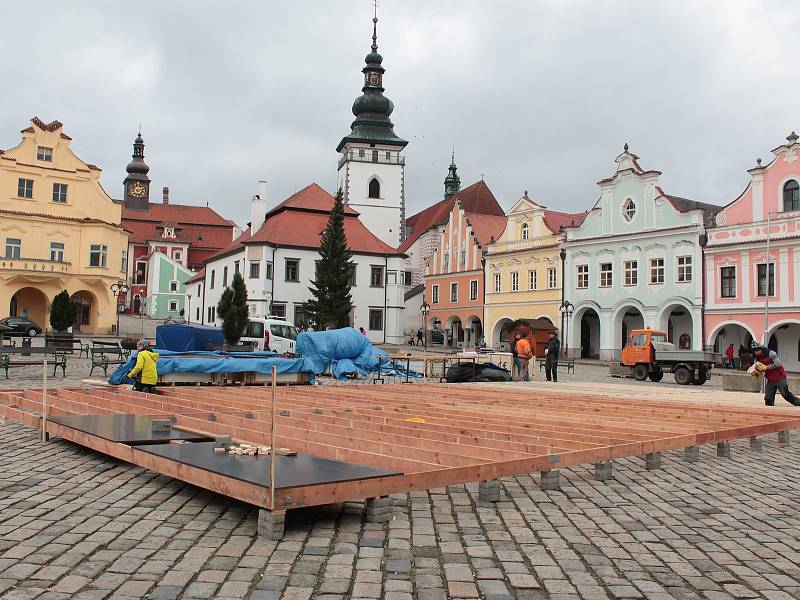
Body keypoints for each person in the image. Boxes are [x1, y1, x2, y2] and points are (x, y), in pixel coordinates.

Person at [752, 342, 800, 407]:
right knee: (768, 399)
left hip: (780, 377)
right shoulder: (757, 358)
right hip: (770, 379)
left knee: (785, 394)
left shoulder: (771, 353)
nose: (756, 352)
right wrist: (755, 372)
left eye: (757, 350)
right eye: (755, 351)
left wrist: (766, 367)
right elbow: (759, 368)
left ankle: (798, 402)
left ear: (761, 349)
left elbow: (778, 363)